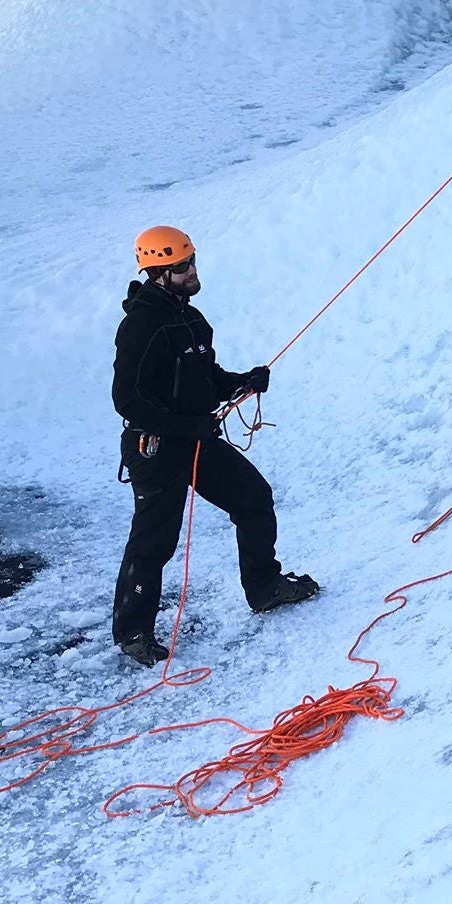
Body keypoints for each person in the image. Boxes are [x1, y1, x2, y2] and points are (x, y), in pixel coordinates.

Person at [110, 225, 319, 667]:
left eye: (192, 262)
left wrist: (241, 382)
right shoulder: (141, 325)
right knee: (154, 541)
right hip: (157, 448)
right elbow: (127, 399)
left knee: (253, 498)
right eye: (182, 267)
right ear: (159, 273)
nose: (192, 271)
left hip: (195, 440)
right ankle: (133, 633)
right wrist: (187, 427)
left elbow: (205, 381)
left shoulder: (190, 319)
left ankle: (264, 587)